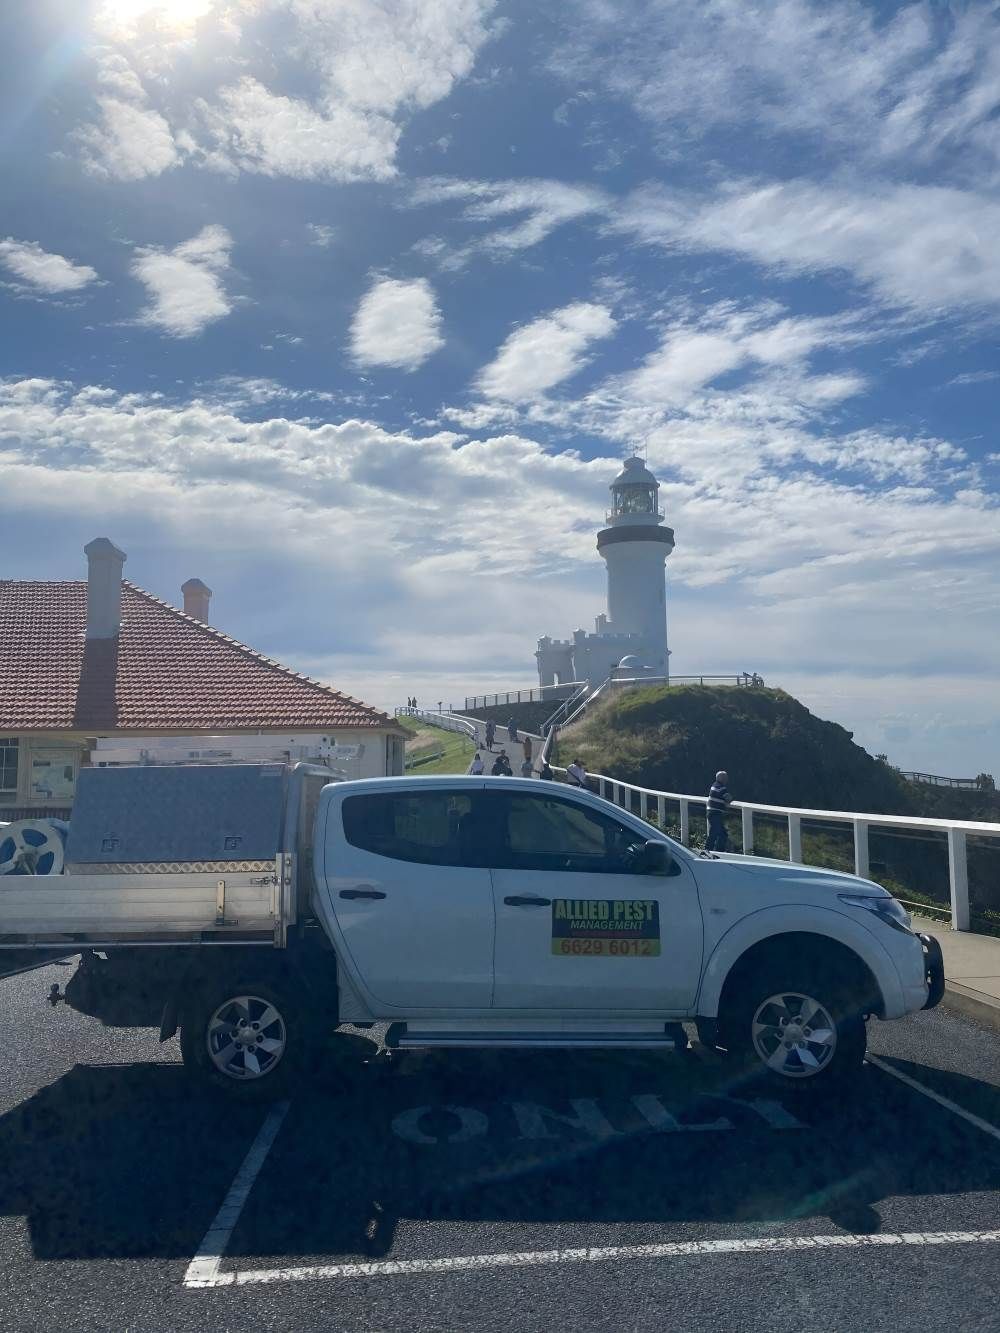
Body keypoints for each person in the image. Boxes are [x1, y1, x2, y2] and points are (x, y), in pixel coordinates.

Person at [706, 769, 732, 851]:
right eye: (725, 777)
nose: (727, 779)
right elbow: (728, 798)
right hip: (715, 814)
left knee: (721, 833)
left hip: (711, 812)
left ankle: (718, 850)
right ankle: (709, 850)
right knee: (715, 833)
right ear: (722, 779)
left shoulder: (714, 785)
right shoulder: (721, 788)